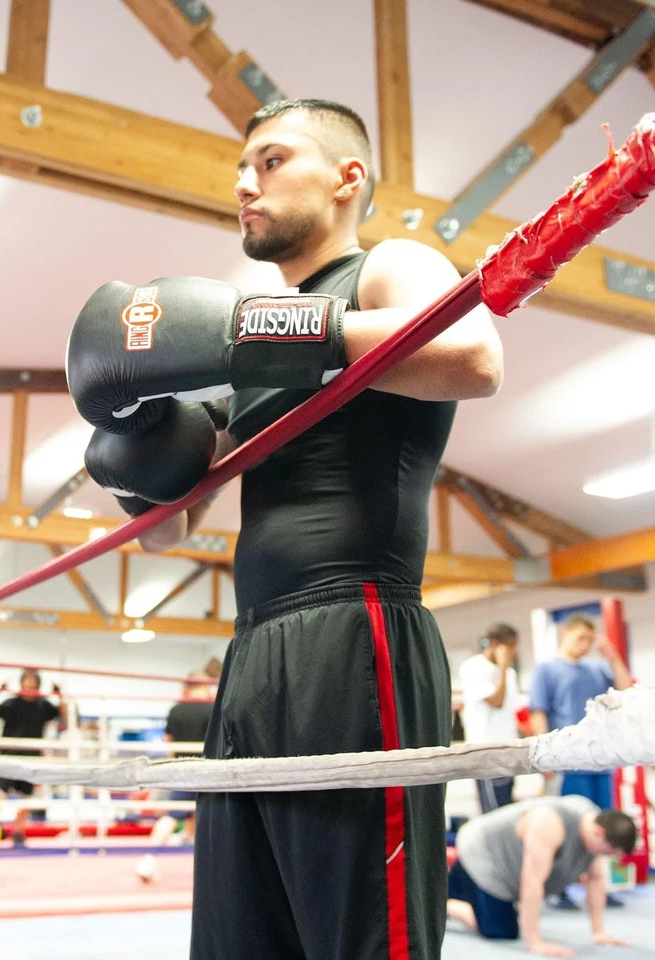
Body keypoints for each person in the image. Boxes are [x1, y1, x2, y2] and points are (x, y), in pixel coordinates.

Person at [66, 98, 503, 959]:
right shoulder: (245, 359)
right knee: (242, 936)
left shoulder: (388, 266)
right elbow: (165, 530)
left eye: (269, 161)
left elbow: (473, 358)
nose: (243, 184)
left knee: (359, 936)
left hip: (356, 626)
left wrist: (253, 330)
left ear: (348, 178)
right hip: (253, 650)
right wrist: (133, 447)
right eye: (239, 169)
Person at [446, 796, 635, 958]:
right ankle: (443, 905)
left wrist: (598, 932)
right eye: (608, 852)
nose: (605, 857)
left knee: (512, 917)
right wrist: (535, 941)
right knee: (501, 930)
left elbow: (595, 879)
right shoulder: (550, 824)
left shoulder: (595, 828)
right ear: (599, 833)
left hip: (504, 869)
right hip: (481, 858)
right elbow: (533, 880)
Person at [529, 616, 632, 810]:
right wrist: (543, 757)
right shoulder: (546, 668)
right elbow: (538, 712)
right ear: (566, 633)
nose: (585, 645)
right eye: (581, 638)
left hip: (600, 759)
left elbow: (626, 693)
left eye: (590, 640)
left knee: (604, 821)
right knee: (576, 820)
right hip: (568, 761)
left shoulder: (598, 668)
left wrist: (613, 658)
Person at [136, 664, 218, 883]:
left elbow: (169, 743)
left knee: (173, 816)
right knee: (210, 818)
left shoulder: (175, 710)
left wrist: (173, 768)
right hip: (207, 770)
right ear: (204, 686)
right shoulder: (212, 708)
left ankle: (148, 858)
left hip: (182, 769)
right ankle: (211, 874)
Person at [0, 668, 60, 847]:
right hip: (8, 754)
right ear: (22, 683)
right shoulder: (11, 703)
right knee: (0, 794)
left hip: (31, 755)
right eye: (27, 682)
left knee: (26, 796)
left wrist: (59, 694)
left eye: (33, 683)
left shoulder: (43, 705)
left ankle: (18, 832)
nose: (30, 686)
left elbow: (62, 714)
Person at [459, 622, 521, 812]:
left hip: (508, 751)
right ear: (495, 645)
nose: (514, 652)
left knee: (508, 810)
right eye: (510, 646)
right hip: (486, 753)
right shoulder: (473, 668)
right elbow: (497, 700)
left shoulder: (509, 673)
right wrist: (502, 666)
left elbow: (511, 711)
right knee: (494, 812)